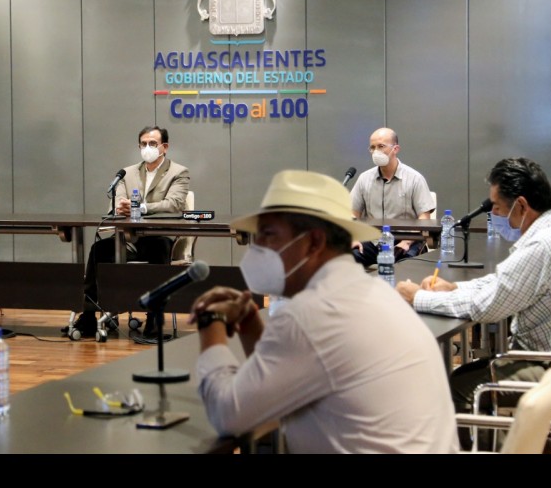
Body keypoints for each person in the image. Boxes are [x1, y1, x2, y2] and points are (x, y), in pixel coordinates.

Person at [188, 170, 458, 454]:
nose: (256, 248)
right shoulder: (374, 293)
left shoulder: (312, 313)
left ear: (314, 242)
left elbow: (228, 415)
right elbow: (277, 379)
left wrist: (211, 320)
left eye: (268, 235)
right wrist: (249, 322)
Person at [395, 157, 551, 450]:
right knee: (472, 374)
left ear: (521, 205)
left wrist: (418, 297)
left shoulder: (543, 244)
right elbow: (503, 284)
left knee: (463, 387)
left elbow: (488, 306)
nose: (493, 214)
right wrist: (453, 288)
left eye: (497, 207)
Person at [69, 126, 190, 337]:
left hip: (158, 238)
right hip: (127, 239)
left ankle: (154, 321)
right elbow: (118, 201)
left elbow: (174, 204)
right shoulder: (126, 173)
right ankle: (88, 316)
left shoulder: (178, 172)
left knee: (160, 248)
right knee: (99, 249)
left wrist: (141, 208)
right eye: (143, 144)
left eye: (152, 143)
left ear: (165, 147)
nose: (147, 148)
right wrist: (120, 207)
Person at [350, 127, 435, 266]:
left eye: (381, 146)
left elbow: (424, 218)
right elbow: (353, 214)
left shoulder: (415, 179)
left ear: (395, 149)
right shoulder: (364, 178)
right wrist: (354, 237)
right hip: (374, 241)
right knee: (346, 257)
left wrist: (406, 242)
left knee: (406, 265)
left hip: (406, 240)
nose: (376, 152)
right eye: (372, 147)